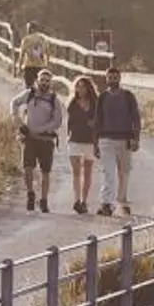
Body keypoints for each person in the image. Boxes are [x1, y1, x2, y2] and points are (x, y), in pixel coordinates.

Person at [10, 68, 64, 213]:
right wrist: (18, 122)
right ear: (37, 81)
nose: (44, 83)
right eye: (42, 80)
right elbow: (14, 103)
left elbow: (58, 120)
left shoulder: (54, 100)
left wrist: (45, 128)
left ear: (51, 83)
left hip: (46, 140)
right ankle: (30, 193)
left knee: (45, 171)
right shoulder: (29, 94)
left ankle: (44, 200)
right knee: (27, 168)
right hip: (30, 138)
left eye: (47, 81)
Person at [95, 66, 142, 217]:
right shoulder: (102, 97)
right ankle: (106, 203)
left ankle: (122, 201)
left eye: (115, 78)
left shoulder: (128, 96)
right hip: (106, 139)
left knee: (124, 172)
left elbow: (136, 118)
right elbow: (97, 120)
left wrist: (136, 138)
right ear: (106, 79)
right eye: (110, 77)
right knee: (108, 172)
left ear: (119, 79)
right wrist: (95, 142)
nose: (112, 80)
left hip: (125, 139)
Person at [65, 76, 100, 215]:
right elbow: (68, 122)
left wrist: (94, 124)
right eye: (78, 86)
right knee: (76, 171)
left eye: (83, 86)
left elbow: (100, 120)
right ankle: (76, 200)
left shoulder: (95, 103)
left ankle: (84, 201)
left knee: (87, 172)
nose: (80, 89)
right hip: (74, 139)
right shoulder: (72, 103)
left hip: (90, 141)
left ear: (88, 88)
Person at [18, 22, 50, 89]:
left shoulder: (26, 40)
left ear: (32, 29)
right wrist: (46, 65)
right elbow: (47, 53)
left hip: (29, 66)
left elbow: (22, 54)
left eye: (28, 28)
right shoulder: (43, 39)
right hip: (40, 66)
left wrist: (19, 67)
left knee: (28, 87)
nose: (27, 30)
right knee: (40, 87)